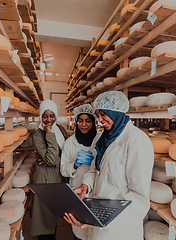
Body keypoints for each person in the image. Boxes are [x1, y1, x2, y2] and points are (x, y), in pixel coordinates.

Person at [64, 91, 154, 240]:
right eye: (98, 115)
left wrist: (103, 218)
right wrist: (86, 186)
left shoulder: (136, 141)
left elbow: (139, 198)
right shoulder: (106, 138)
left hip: (118, 230)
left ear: (116, 112)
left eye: (103, 115)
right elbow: (96, 170)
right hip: (97, 217)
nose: (100, 120)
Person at [60, 104, 101, 240]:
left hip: (97, 192)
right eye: (80, 121)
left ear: (93, 121)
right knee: (79, 232)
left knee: (96, 232)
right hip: (77, 192)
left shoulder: (101, 139)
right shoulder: (70, 142)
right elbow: (63, 170)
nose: (84, 124)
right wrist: (75, 165)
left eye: (88, 121)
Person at [30, 99, 68, 240]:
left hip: (59, 177)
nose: (49, 120)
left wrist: (58, 163)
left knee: (54, 215)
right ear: (40, 116)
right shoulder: (38, 134)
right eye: (45, 116)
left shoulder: (61, 130)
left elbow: (66, 155)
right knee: (45, 219)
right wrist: (49, 133)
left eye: (52, 116)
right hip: (46, 180)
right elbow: (51, 159)